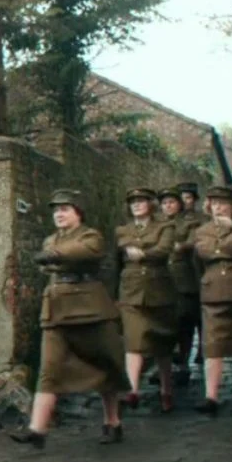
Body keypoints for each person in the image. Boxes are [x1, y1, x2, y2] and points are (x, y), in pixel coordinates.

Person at [11, 189, 129, 448]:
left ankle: (113, 421)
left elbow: (84, 252)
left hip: (90, 310)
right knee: (49, 370)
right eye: (56, 210)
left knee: (105, 365)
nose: (59, 214)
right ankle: (37, 430)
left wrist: (54, 257)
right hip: (56, 309)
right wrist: (54, 258)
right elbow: (49, 265)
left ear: (78, 213)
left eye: (65, 209)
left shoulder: (90, 236)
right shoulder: (50, 239)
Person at [115, 188, 178, 411]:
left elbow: (164, 250)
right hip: (131, 292)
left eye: (141, 201)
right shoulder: (123, 230)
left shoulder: (165, 226)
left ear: (151, 204)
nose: (137, 205)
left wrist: (142, 253)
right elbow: (121, 256)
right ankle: (132, 391)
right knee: (133, 342)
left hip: (159, 291)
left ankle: (166, 391)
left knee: (162, 345)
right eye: (133, 202)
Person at [191, 185, 232, 416]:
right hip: (213, 289)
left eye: (223, 203)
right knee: (212, 345)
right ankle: (211, 395)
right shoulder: (202, 231)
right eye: (214, 203)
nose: (218, 207)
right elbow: (200, 259)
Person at [161, 186, 202, 387]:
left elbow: (192, 242)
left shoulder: (190, 222)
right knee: (163, 326)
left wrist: (179, 246)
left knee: (184, 323)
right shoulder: (156, 223)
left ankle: (183, 363)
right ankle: (164, 367)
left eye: (172, 202)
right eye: (165, 203)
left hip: (184, 280)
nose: (168, 206)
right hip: (160, 281)